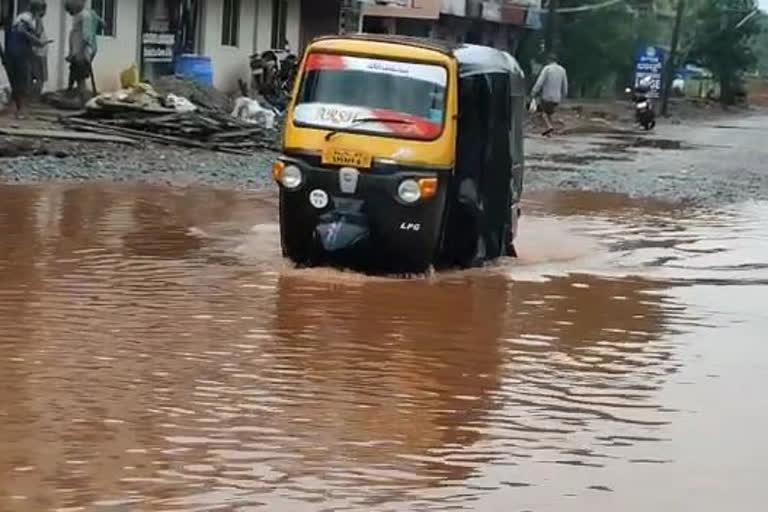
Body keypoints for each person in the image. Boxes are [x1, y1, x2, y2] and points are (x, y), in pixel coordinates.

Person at [4, 0, 52, 116]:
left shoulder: (29, 18)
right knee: (22, 81)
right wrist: (37, 42)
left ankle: (20, 109)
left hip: (20, 52)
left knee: (21, 81)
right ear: (40, 10)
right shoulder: (25, 17)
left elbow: (37, 33)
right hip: (18, 52)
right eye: (43, 11)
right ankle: (20, 109)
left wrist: (37, 40)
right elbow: (22, 31)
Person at [65, 0, 103, 105]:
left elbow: (86, 37)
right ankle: (82, 100)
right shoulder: (83, 15)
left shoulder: (84, 16)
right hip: (78, 53)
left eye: (70, 11)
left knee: (81, 80)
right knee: (78, 78)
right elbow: (102, 23)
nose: (70, 14)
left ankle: (85, 102)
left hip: (81, 54)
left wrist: (79, 53)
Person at [531, 53, 568, 136]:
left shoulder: (547, 69)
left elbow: (540, 82)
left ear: (549, 60)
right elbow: (565, 84)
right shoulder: (562, 70)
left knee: (542, 113)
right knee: (549, 114)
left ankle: (549, 127)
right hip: (557, 97)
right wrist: (564, 95)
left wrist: (534, 91)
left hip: (547, 96)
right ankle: (550, 131)